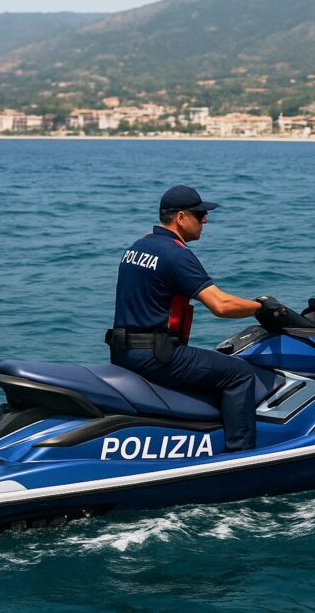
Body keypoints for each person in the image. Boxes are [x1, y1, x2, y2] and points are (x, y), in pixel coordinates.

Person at [106, 185, 267, 452]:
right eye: (200, 214)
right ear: (180, 217)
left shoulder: (138, 247)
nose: (205, 220)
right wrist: (260, 308)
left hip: (123, 351)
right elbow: (221, 305)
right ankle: (242, 453)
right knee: (239, 373)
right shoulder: (176, 254)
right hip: (155, 356)